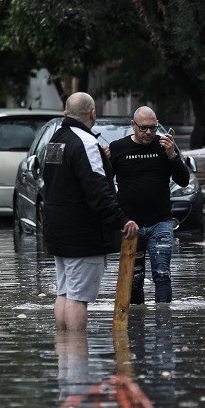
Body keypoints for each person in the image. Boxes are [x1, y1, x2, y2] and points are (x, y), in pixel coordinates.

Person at [42, 92, 138, 332]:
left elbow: (58, 180)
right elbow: (97, 190)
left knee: (64, 292)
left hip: (57, 229)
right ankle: (77, 356)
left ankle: (65, 355)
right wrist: (121, 220)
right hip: (82, 233)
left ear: (66, 113)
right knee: (78, 297)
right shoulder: (85, 142)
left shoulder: (56, 140)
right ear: (92, 114)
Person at [109, 106, 190, 305]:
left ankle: (164, 322)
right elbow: (105, 183)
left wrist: (172, 155)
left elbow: (184, 180)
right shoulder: (118, 148)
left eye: (153, 128)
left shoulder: (165, 145)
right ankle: (137, 325)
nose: (148, 133)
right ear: (133, 126)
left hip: (160, 223)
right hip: (130, 225)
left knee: (162, 274)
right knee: (134, 280)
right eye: (143, 128)